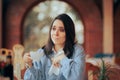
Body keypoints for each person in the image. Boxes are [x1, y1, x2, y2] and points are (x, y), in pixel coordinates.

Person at [23, 13, 85, 80]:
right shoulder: (42, 52)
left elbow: (77, 77)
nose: (56, 33)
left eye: (61, 30)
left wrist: (62, 59)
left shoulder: (78, 51)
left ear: (69, 32)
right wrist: (30, 65)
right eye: (54, 29)